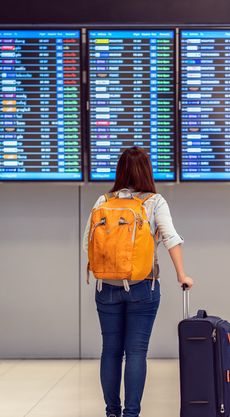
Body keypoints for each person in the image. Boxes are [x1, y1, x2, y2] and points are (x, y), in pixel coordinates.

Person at [83, 146, 193, 417]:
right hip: (143, 287)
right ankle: (131, 414)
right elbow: (171, 238)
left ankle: (112, 412)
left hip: (105, 288)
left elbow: (88, 241)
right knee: (135, 353)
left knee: (110, 351)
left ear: (120, 171)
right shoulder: (154, 201)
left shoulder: (103, 201)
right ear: (147, 170)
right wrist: (182, 275)